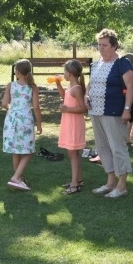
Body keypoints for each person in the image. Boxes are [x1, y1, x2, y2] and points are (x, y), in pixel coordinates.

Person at [86, 28, 133, 198]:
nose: (101, 48)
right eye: (99, 45)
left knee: (117, 147)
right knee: (103, 147)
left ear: (114, 46)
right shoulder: (96, 64)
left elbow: (131, 88)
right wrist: (86, 95)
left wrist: (127, 110)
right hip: (95, 111)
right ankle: (110, 181)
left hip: (114, 111)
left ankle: (122, 186)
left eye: (105, 45)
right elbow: (90, 84)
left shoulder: (123, 63)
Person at [2, 59, 43, 191]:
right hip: (25, 120)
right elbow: (36, 107)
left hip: (11, 119)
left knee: (16, 150)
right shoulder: (33, 88)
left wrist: (12, 110)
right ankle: (16, 177)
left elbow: (4, 103)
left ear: (17, 72)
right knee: (28, 151)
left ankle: (18, 178)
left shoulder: (10, 85)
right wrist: (39, 125)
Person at [56, 59, 88, 195]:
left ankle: (75, 184)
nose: (63, 74)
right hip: (69, 123)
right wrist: (58, 84)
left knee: (73, 153)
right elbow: (65, 96)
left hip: (74, 125)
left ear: (69, 73)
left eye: (64, 71)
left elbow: (83, 108)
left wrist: (67, 109)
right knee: (72, 152)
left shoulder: (77, 89)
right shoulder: (71, 88)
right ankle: (78, 179)